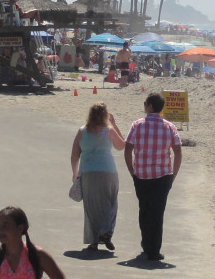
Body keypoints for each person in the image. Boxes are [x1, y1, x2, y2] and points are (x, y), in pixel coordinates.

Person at [125, 93, 182, 262]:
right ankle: (153, 250)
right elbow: (178, 151)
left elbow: (128, 148)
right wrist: (173, 175)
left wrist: (132, 170)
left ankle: (147, 245)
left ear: (150, 106)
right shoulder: (169, 127)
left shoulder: (137, 125)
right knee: (157, 213)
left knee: (144, 210)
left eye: (145, 103)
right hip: (162, 175)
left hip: (141, 174)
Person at [70, 103, 126, 253]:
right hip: (109, 171)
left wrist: (75, 173)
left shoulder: (82, 131)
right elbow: (121, 145)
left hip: (89, 172)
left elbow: (75, 155)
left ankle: (94, 241)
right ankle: (106, 231)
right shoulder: (109, 130)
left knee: (91, 207)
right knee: (111, 202)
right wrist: (114, 124)